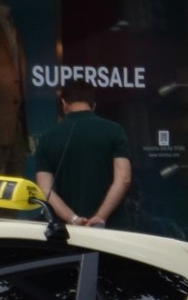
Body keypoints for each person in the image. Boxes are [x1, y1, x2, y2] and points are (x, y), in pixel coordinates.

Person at [32, 88, 133, 228]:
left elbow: (44, 189)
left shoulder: (48, 138)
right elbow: (124, 180)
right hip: (114, 227)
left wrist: (72, 218)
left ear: (64, 104)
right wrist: (100, 217)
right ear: (93, 105)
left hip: (70, 232)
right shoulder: (115, 130)